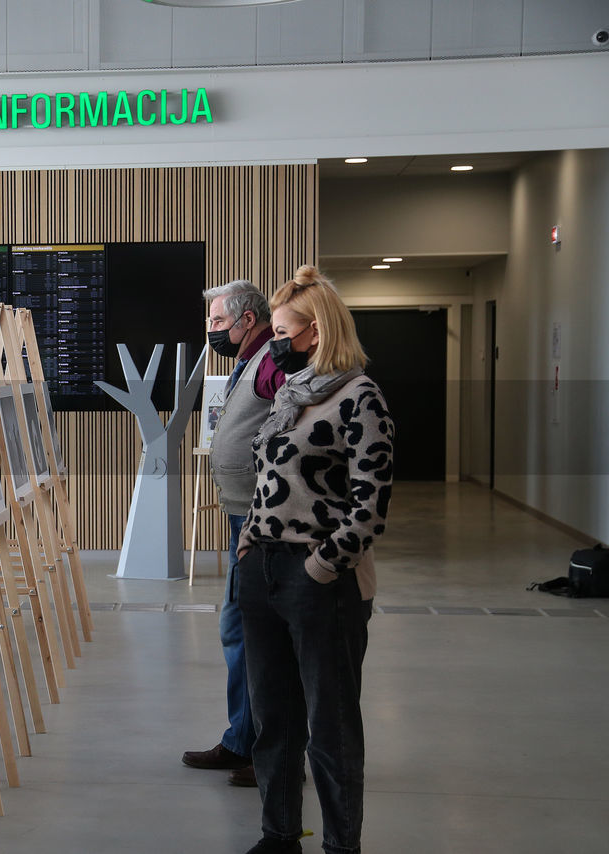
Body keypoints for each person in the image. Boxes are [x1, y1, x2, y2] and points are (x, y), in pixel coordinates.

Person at [235, 265, 394, 854]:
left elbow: (370, 505)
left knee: (330, 729)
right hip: (263, 570)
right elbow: (267, 481)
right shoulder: (289, 394)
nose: (276, 342)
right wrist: (250, 542)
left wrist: (322, 566)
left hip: (322, 581)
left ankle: (340, 845)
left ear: (317, 331)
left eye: (283, 330)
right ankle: (279, 836)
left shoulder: (360, 398)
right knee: (273, 721)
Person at [182, 279, 285, 788]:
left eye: (219, 322)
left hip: (261, 519)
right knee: (239, 630)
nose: (213, 330)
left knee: (256, 635)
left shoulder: (272, 361)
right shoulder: (251, 360)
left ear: (248, 319)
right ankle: (242, 740)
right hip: (244, 514)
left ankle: (265, 752)